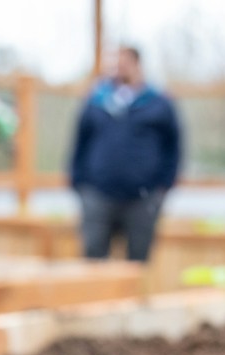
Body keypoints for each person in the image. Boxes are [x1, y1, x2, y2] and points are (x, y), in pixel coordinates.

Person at [69, 46, 181, 263]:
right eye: (114, 64)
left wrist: (162, 187)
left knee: (138, 261)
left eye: (123, 63)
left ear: (137, 65)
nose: (118, 69)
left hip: (143, 197)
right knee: (93, 258)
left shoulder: (158, 103)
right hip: (97, 193)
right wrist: (80, 184)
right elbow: (80, 143)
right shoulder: (95, 101)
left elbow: (173, 146)